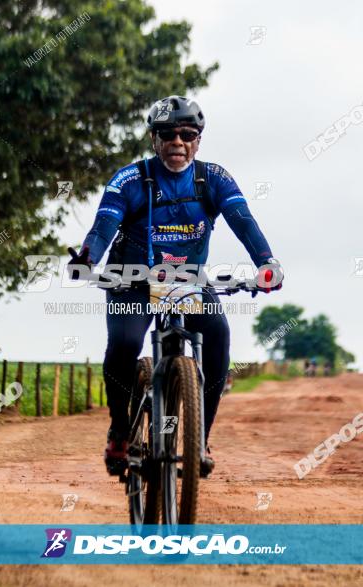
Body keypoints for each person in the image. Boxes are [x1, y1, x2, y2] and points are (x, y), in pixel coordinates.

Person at [68, 96, 282, 478]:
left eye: (187, 134)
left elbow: (243, 221)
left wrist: (266, 262)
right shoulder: (130, 180)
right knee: (125, 346)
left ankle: (199, 438)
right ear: (154, 139)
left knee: (217, 337)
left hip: (186, 280)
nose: (177, 142)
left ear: (198, 140)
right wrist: (87, 259)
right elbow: (103, 226)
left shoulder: (213, 179)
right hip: (129, 278)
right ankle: (120, 431)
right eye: (167, 134)